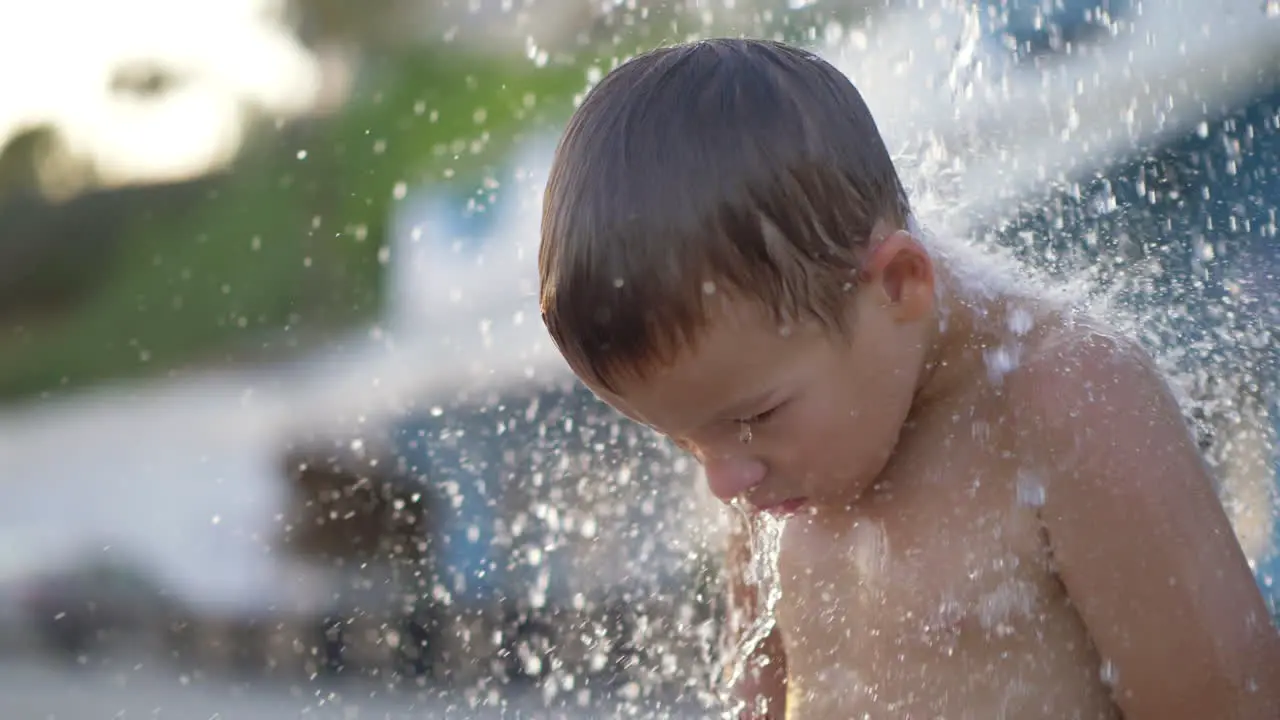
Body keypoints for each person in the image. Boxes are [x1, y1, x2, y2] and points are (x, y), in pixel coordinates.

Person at [536, 38, 1280, 719]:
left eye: (753, 417)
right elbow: (755, 699)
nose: (723, 482)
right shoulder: (766, 460)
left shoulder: (1068, 405)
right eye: (683, 442)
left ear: (897, 285)